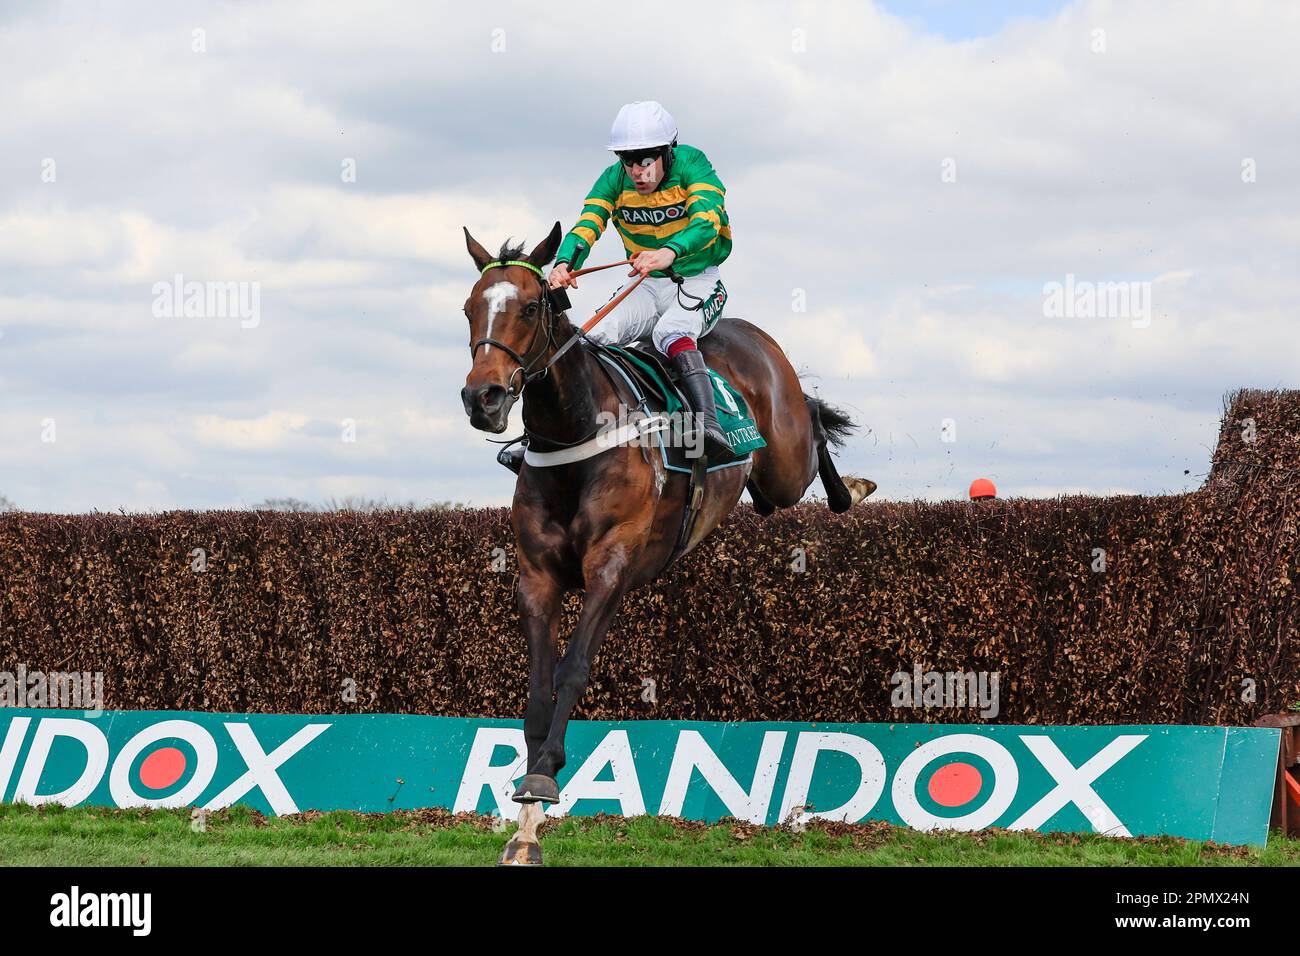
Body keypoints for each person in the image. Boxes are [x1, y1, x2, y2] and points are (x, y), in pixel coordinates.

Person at [501, 101, 737, 473]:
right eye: (629, 160)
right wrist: (565, 263)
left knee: (670, 331)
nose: (636, 172)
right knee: (586, 338)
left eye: (645, 160)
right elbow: (588, 223)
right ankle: (535, 437)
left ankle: (709, 425)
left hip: (697, 279)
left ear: (667, 152)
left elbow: (708, 220)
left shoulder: (695, 165)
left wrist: (668, 252)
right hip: (645, 284)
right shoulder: (613, 179)